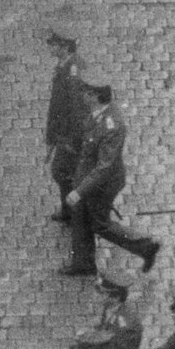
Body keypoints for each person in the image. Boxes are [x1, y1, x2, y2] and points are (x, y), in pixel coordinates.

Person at [61, 68, 161, 276]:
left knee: (100, 224)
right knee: (80, 217)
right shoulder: (98, 112)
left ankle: (145, 246)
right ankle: (83, 263)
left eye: (86, 93)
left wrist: (79, 191)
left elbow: (104, 167)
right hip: (88, 177)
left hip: (101, 185)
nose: (82, 96)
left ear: (96, 96)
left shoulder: (113, 126)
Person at [43, 15, 91, 222]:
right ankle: (71, 211)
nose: (49, 46)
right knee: (63, 172)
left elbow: (77, 112)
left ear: (64, 46)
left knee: (62, 171)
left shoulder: (72, 74)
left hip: (71, 138)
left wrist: (72, 141)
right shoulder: (67, 65)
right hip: (65, 135)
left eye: (53, 42)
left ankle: (74, 212)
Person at [95, 265, 147, 349]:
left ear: (116, 297)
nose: (98, 296)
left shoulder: (124, 322)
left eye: (103, 293)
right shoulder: (109, 306)